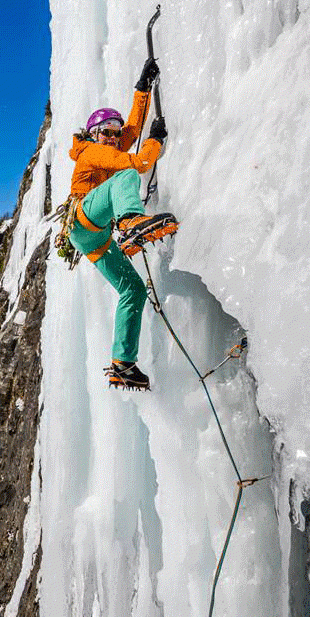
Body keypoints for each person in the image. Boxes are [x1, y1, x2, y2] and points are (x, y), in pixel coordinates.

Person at [66, 59, 179, 390]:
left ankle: (123, 363)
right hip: (83, 218)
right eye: (107, 133)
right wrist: (155, 142)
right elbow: (137, 162)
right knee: (127, 175)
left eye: (115, 134)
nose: (114, 139)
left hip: (93, 238)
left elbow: (133, 127)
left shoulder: (109, 146)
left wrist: (142, 88)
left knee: (133, 289)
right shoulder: (90, 152)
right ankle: (131, 222)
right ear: (93, 135)